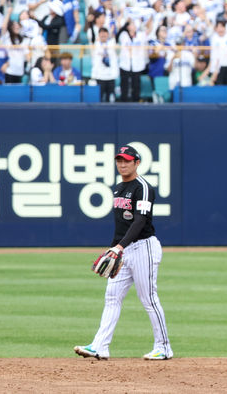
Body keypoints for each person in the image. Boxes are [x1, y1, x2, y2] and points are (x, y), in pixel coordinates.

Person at [74, 145, 173, 361]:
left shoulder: (143, 187)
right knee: (112, 297)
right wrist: (113, 249)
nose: (122, 164)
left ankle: (164, 347)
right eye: (119, 160)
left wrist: (120, 247)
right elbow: (120, 225)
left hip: (143, 247)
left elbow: (140, 221)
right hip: (124, 250)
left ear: (137, 163)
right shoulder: (118, 188)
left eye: (127, 160)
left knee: (148, 298)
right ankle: (100, 346)